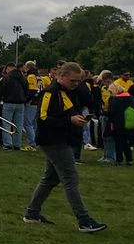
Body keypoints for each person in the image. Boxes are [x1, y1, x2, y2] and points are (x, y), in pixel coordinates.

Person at [22, 62, 108, 233]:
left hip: (63, 138)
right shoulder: (50, 93)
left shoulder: (70, 91)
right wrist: (69, 120)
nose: (76, 84)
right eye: (73, 81)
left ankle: (32, 213)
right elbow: (43, 119)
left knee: (50, 179)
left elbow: (85, 101)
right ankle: (83, 220)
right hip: (52, 140)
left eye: (79, 81)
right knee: (70, 178)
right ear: (60, 77)